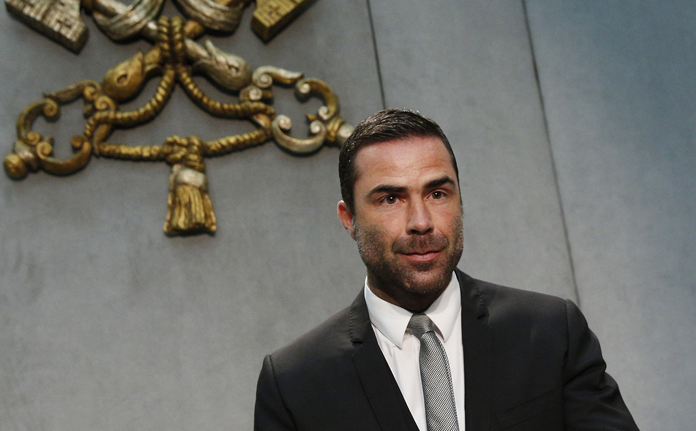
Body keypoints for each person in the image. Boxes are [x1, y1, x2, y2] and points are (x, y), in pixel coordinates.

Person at [254, 109, 638, 431]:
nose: (421, 222)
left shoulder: (552, 333)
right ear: (348, 218)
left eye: (437, 194)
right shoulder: (294, 384)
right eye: (391, 198)